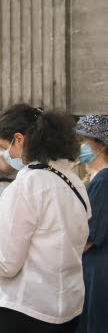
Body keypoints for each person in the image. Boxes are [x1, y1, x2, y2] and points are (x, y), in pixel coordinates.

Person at [0, 104, 89, 333]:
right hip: (66, 304)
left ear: (19, 139)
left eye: (6, 147)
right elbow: (66, 238)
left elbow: (4, 264)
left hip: (26, 306)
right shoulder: (72, 180)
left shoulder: (25, 185)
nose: (9, 156)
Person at [75, 114, 108, 333]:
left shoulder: (103, 181)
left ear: (100, 144)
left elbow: (89, 236)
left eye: (82, 141)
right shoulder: (98, 178)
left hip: (97, 266)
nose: (79, 147)